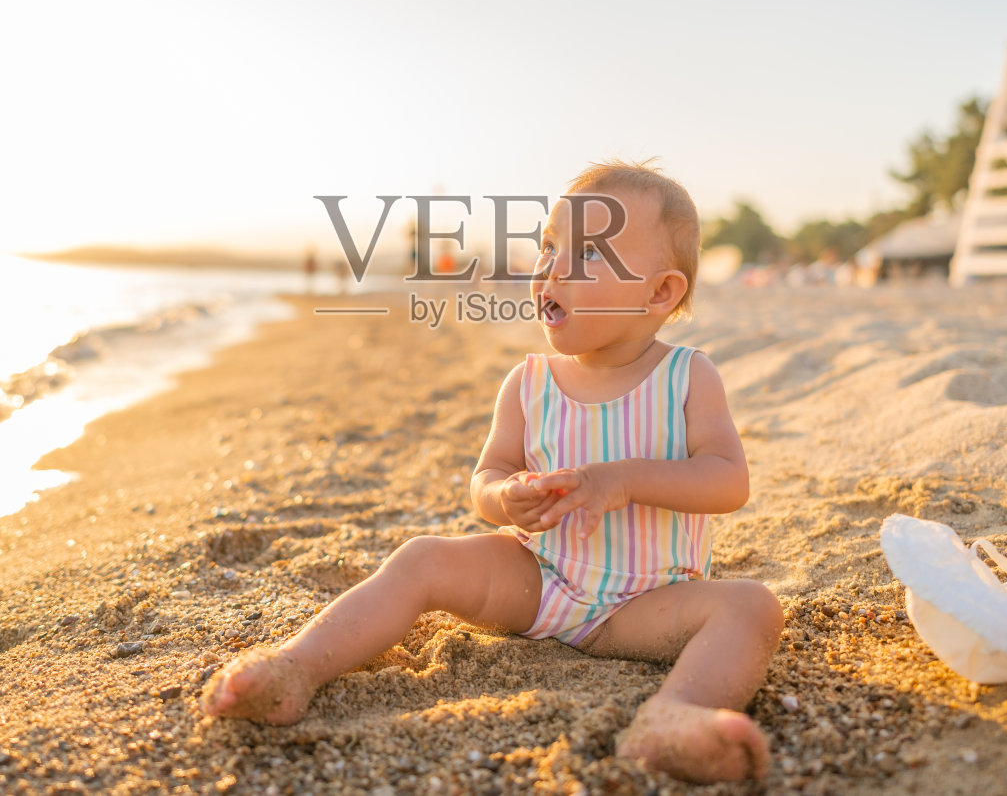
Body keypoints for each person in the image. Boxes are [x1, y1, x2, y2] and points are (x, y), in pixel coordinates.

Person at [200, 161, 781, 783]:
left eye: (586, 255)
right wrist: (510, 497)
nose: (552, 268)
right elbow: (487, 479)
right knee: (422, 558)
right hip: (544, 579)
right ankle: (297, 666)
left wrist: (622, 480)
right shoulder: (529, 383)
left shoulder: (687, 376)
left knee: (752, 608)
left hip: (650, 603)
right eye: (549, 247)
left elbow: (727, 480)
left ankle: (675, 714)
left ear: (658, 293)